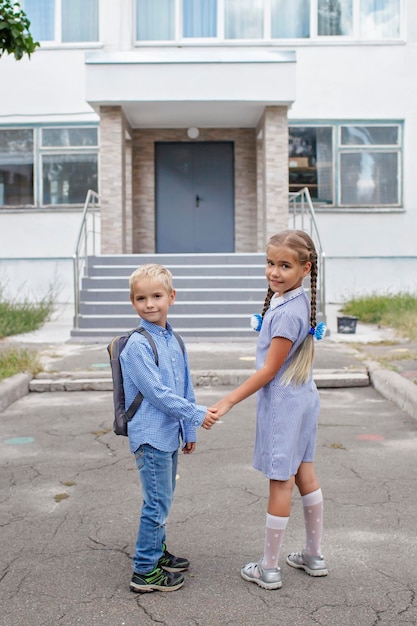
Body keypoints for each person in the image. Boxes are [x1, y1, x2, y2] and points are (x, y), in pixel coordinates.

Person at [212, 229, 327, 590]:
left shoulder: (287, 313)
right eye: (270, 263)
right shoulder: (295, 301)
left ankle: (270, 568)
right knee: (304, 472)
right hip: (304, 397)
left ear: (305, 268)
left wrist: (229, 399)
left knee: (282, 481)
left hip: (285, 403)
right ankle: (313, 555)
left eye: (285, 265)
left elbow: (268, 370)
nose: (275, 272)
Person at [120, 263, 218, 593]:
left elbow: (184, 385)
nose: (149, 304)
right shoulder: (136, 345)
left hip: (169, 435)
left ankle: (157, 552)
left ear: (171, 297)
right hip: (149, 436)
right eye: (141, 298)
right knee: (156, 503)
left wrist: (189, 431)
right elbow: (158, 395)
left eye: (157, 296)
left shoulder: (174, 339)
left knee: (164, 498)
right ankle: (144, 570)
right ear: (133, 302)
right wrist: (197, 414)